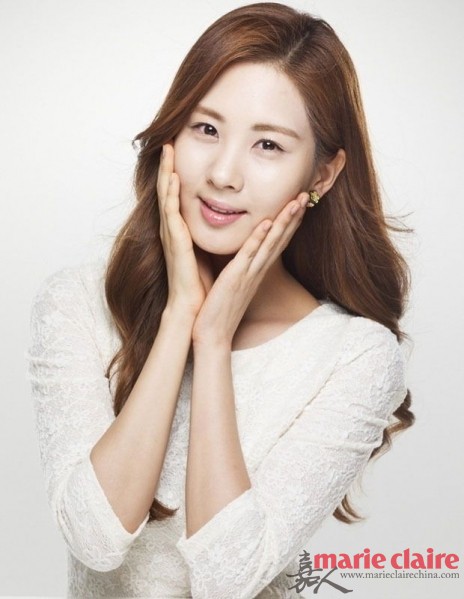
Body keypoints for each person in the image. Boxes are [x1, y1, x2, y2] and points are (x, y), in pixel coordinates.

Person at [28, 3, 414, 598]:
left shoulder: (354, 355)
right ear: (172, 133)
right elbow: (95, 540)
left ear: (321, 176)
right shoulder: (77, 304)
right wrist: (179, 317)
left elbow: (227, 579)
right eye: (206, 129)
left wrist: (213, 342)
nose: (224, 174)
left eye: (269, 145)